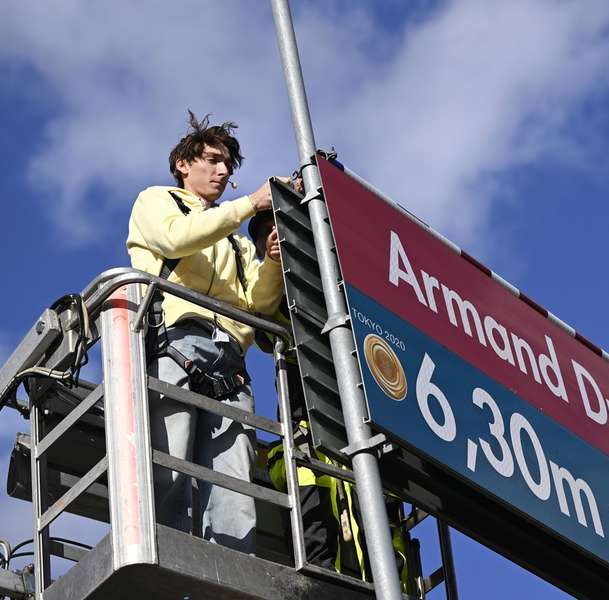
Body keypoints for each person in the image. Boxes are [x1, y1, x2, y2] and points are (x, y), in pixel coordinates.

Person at [127, 111, 286, 553]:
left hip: (231, 363)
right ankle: (164, 570)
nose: (222, 172)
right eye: (213, 161)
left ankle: (230, 579)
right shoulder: (158, 201)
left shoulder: (234, 239)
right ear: (184, 163)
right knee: (170, 469)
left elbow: (258, 304)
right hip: (175, 344)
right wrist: (248, 206)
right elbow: (175, 240)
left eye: (227, 167)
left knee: (236, 488)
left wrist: (271, 258)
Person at [249, 212, 411, 587]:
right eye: (265, 239)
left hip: (367, 433)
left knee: (382, 528)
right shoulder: (273, 291)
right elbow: (260, 316)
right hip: (309, 431)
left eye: (280, 231)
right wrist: (275, 262)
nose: (274, 240)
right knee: (316, 530)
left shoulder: (342, 287)